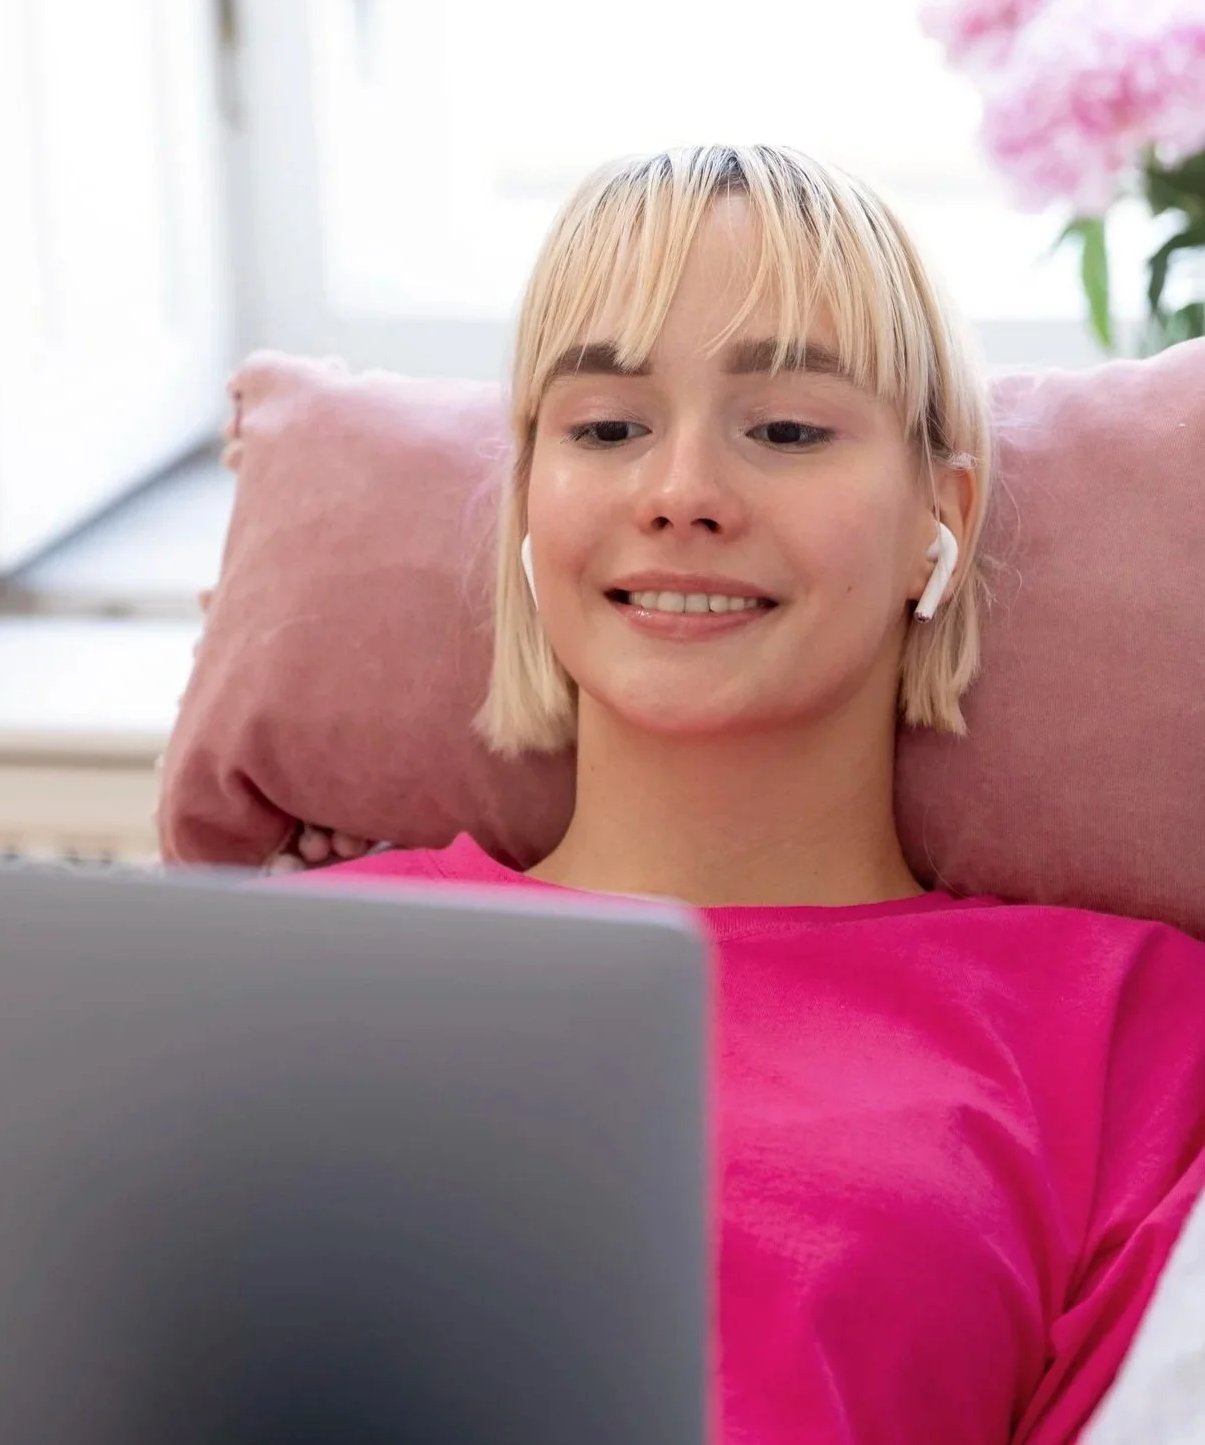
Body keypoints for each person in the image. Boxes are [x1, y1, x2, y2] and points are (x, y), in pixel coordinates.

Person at [295, 145, 1205, 1443]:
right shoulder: (297, 960)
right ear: (526, 507)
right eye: (606, 427)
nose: (681, 496)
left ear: (936, 516)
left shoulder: (1135, 1036)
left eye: (785, 428)